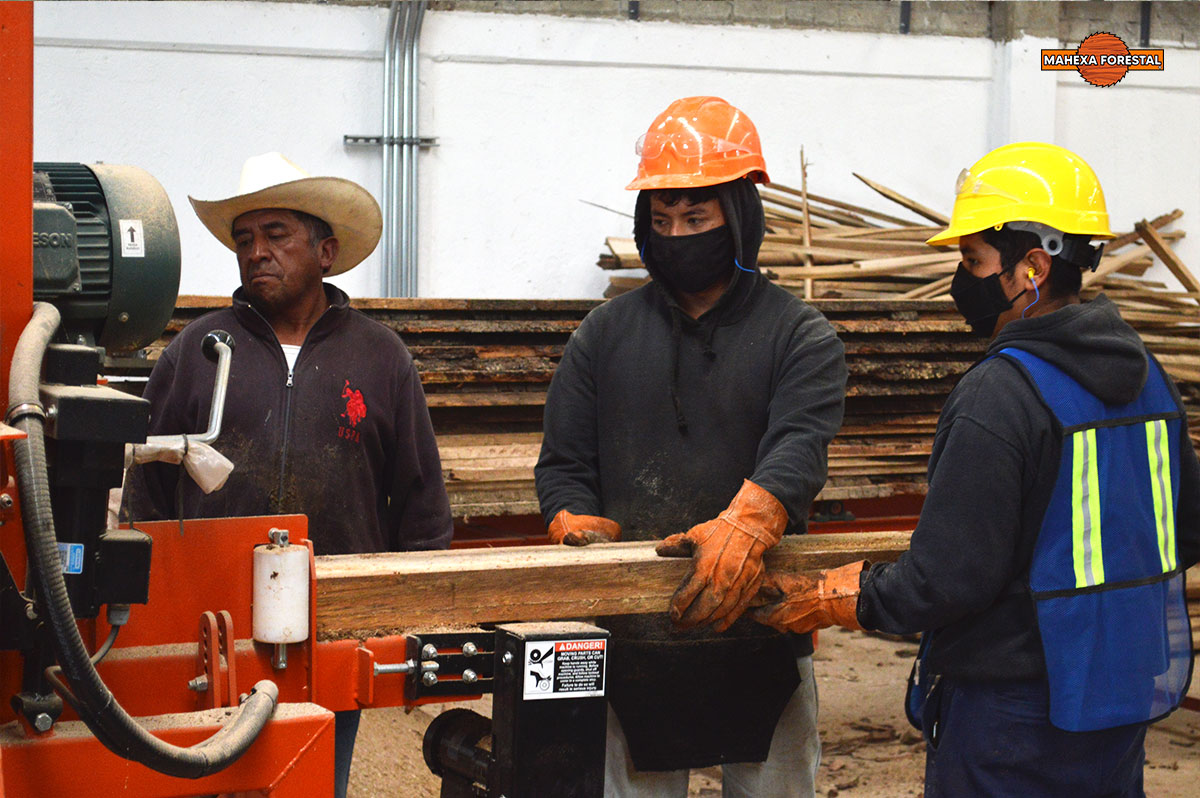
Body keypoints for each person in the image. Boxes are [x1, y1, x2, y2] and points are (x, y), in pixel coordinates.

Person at [751, 142, 1200, 797]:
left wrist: (845, 596)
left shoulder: (1002, 393)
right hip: (1116, 698)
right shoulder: (1150, 379)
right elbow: (1183, 532)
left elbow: (946, 580)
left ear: (1032, 267)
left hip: (1013, 715)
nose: (961, 281)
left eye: (972, 261)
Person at [535, 97, 846, 797]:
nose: (676, 235)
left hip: (762, 627)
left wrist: (751, 521)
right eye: (661, 219)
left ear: (739, 215)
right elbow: (564, 462)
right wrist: (570, 516)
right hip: (633, 634)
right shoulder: (604, 335)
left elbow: (800, 445)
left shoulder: (800, 336)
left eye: (696, 219)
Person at [129, 152, 453, 798]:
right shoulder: (198, 350)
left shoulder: (380, 356)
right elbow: (148, 491)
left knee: (315, 778)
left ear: (325, 251)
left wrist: (417, 618)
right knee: (209, 778)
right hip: (211, 624)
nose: (257, 252)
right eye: (244, 239)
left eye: (276, 235)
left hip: (333, 621)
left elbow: (420, 498)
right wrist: (150, 611)